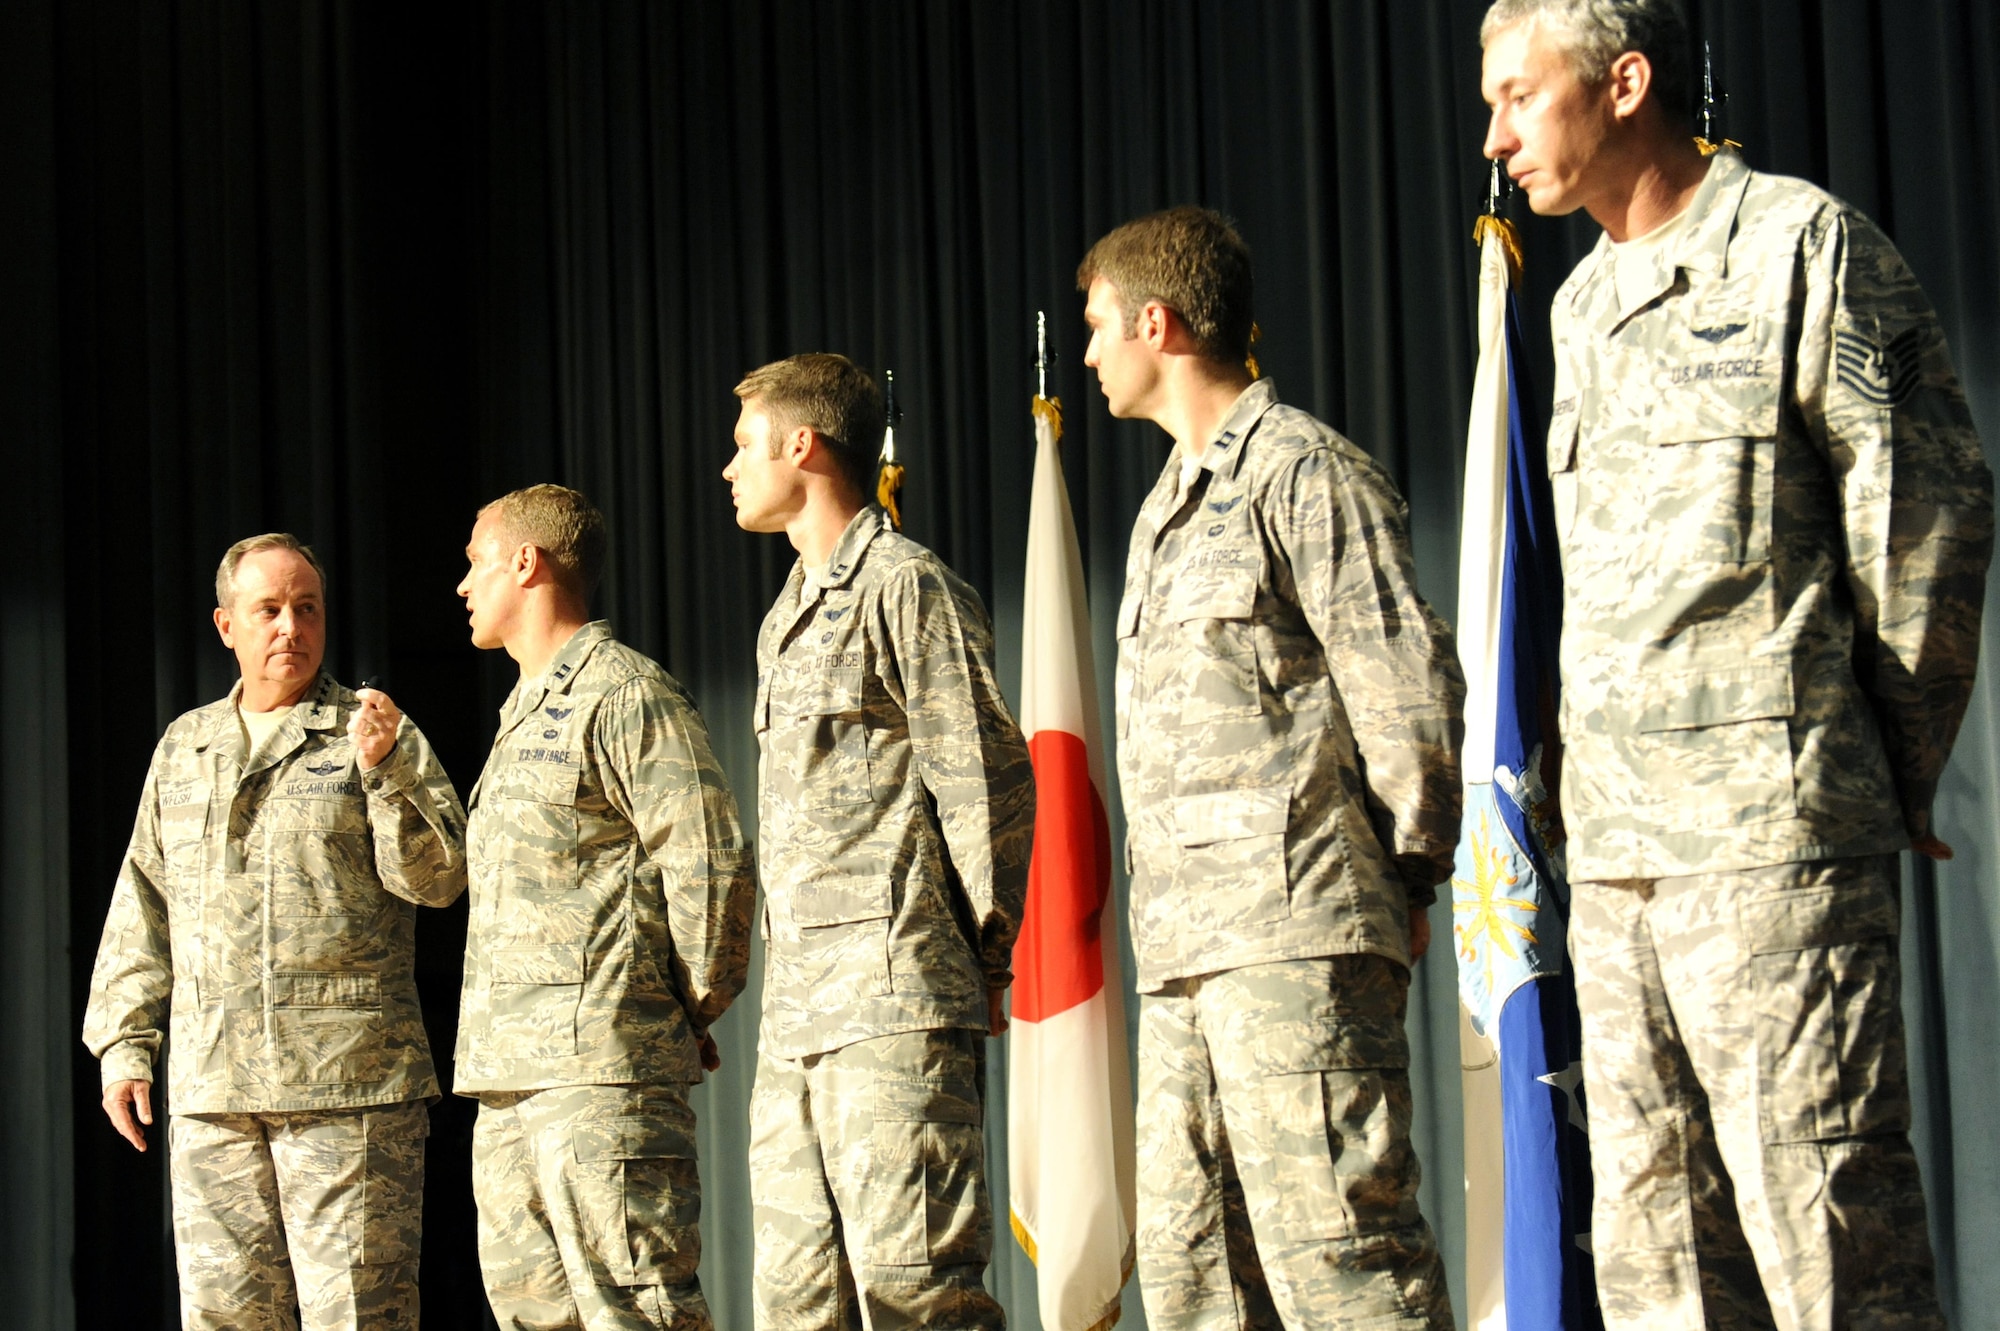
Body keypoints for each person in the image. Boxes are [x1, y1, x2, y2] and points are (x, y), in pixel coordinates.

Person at [1479, 2, 1994, 1326]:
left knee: (1833, 1253)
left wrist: (1867, 765)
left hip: (1774, 853)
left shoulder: (1798, 248)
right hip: (1617, 873)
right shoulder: (1582, 304)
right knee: (1659, 1262)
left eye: (1520, 98)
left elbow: (1923, 518)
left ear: (1626, 82)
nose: (1497, 138)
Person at [1078, 207, 1462, 1330]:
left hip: (1296, 936)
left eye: (1101, 326)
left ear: (1159, 323)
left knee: (1343, 1258)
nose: (1090, 352)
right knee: (1196, 1274)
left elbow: (1405, 684)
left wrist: (1410, 873)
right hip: (1185, 954)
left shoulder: (1302, 470)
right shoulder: (1161, 511)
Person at [82, 532, 468, 1330]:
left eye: (307, 608)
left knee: (360, 1319)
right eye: (269, 610)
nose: (291, 627)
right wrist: (125, 1044)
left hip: (348, 1091)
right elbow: (143, 902)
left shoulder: (371, 730)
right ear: (227, 625)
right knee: (225, 1320)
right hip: (214, 1094)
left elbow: (438, 880)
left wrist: (388, 771)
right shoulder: (185, 747)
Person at [723, 353, 1034, 1330]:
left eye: (743, 446)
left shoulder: (904, 583)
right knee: (797, 1304)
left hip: (893, 995)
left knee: (919, 1294)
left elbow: (982, 774)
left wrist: (986, 951)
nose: (729, 469)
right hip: (798, 1019)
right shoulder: (784, 616)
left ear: (801, 444)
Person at [453, 484, 754, 1331]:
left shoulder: (624, 694)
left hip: (602, 1080)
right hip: (510, 1080)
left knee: (636, 1315)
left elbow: (712, 862)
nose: (463, 585)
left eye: (476, 562)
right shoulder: (523, 712)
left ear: (527, 561)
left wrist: (673, 1006)